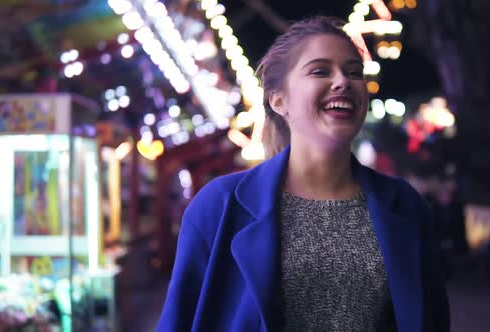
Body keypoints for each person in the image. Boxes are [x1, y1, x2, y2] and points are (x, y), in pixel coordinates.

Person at [157, 16, 449, 332]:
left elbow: (431, 318)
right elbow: (178, 321)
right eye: (320, 71)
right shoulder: (219, 206)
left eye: (354, 72)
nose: (343, 82)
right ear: (278, 100)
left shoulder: (404, 204)